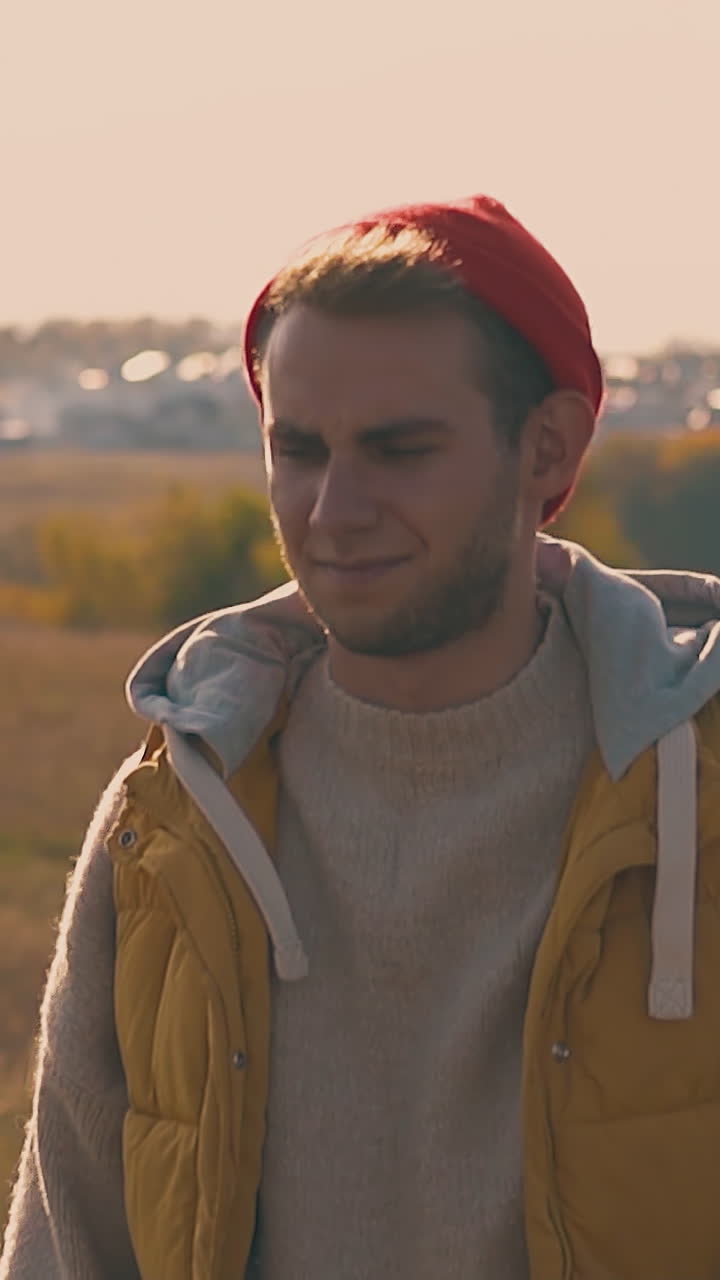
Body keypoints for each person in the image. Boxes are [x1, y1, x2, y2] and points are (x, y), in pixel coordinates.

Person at [3, 194, 720, 1280]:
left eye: (398, 449)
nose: (334, 509)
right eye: (298, 449)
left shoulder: (699, 789)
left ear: (548, 447)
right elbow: (71, 1240)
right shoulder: (178, 811)